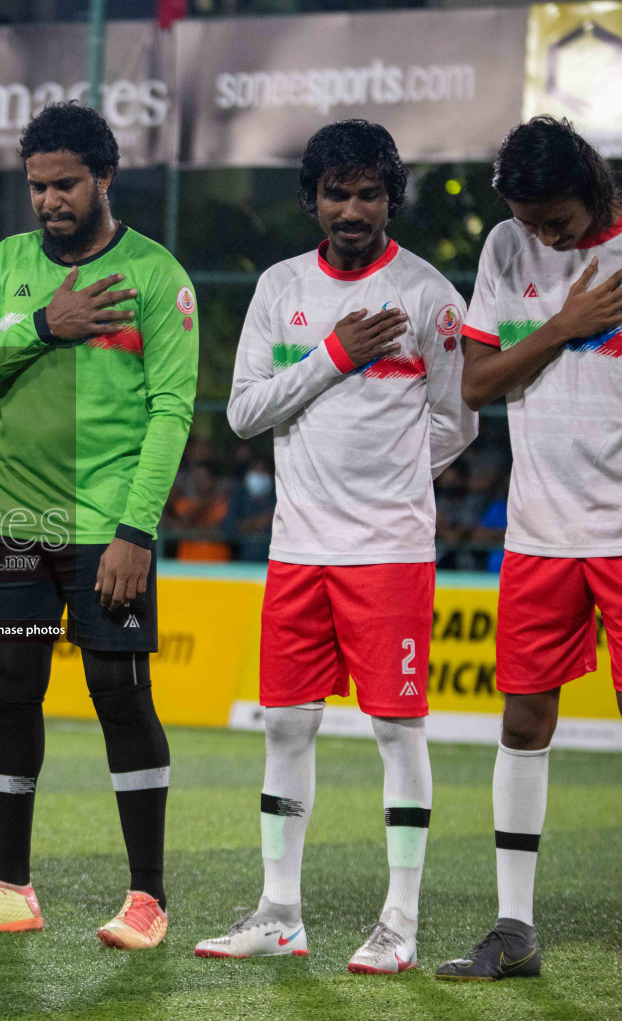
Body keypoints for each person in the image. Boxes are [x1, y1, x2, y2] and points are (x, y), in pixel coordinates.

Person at [0, 102, 198, 950]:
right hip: (11, 521)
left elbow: (173, 410)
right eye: (36, 185)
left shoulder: (154, 274)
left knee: (119, 695)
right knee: (9, 691)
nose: (48, 200)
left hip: (108, 525)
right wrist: (40, 326)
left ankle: (148, 898)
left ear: (104, 177)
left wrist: (138, 531)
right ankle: (8, 887)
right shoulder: (9, 265)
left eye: (64, 183)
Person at [435, 116, 622, 1002]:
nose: (544, 235)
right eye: (530, 218)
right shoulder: (508, 250)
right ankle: (515, 929)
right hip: (538, 534)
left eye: (555, 218)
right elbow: (475, 385)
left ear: (591, 185)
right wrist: (566, 321)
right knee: (522, 726)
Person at [197, 120, 477, 972]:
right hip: (297, 550)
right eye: (335, 193)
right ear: (313, 199)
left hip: (389, 552)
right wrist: (332, 354)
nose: (351, 209)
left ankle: (400, 921)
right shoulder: (281, 287)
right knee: (286, 724)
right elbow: (244, 413)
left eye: (367, 193)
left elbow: (457, 424)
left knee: (398, 731)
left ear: (391, 198)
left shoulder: (429, 297)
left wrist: (388, 481)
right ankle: (281, 912)